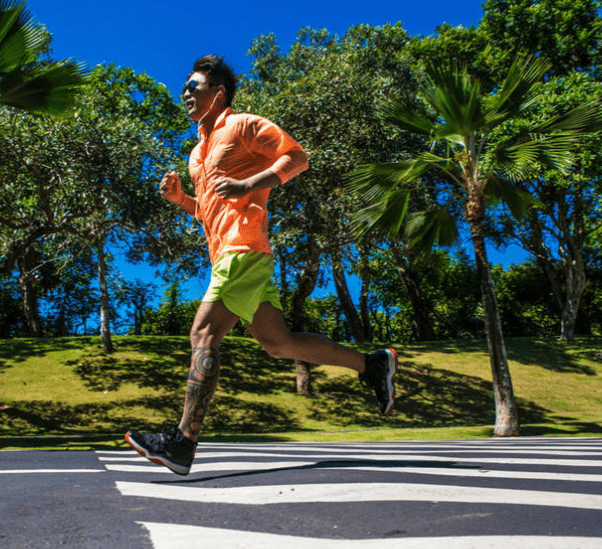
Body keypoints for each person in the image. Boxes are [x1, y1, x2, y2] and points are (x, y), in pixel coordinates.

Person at [124, 55, 397, 476]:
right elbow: (212, 211)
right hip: (231, 252)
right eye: (185, 88)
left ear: (218, 93)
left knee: (204, 331)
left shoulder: (244, 125)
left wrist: (249, 183)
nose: (185, 94)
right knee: (278, 344)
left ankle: (183, 442)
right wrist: (182, 200)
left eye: (193, 87)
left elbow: (297, 157)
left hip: (243, 250)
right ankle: (370, 365)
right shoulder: (198, 153)